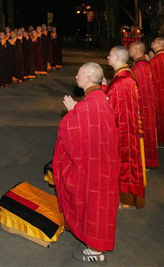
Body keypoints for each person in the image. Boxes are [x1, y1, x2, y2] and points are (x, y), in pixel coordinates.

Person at [53, 63, 120, 262]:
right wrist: (76, 111)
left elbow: (69, 132)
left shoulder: (87, 105)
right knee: (100, 206)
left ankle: (96, 251)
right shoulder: (100, 98)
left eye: (79, 74)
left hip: (93, 169)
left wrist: (72, 114)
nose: (76, 76)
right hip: (105, 163)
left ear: (89, 79)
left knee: (93, 206)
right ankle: (96, 244)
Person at [106, 46, 145, 208]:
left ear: (116, 58)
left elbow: (112, 109)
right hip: (129, 127)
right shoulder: (126, 75)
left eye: (109, 55)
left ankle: (126, 197)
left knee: (124, 165)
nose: (107, 57)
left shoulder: (120, 81)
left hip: (123, 130)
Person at [129, 41, 158, 169]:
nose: (129, 51)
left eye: (130, 48)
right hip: (146, 104)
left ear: (137, 51)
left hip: (141, 106)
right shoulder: (142, 64)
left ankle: (142, 161)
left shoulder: (138, 68)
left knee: (142, 134)